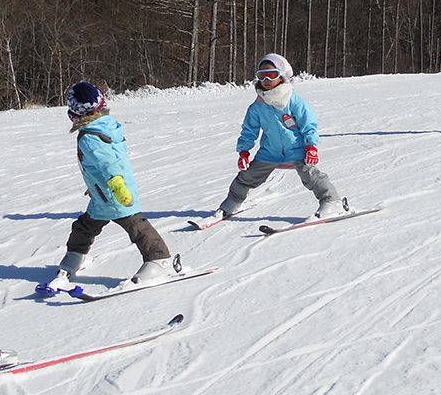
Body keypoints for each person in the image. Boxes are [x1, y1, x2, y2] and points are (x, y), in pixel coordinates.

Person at [40, 82, 178, 294]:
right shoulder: (106, 127)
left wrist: (118, 187)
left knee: (136, 226)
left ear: (74, 114)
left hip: (114, 194)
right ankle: (77, 256)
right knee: (84, 227)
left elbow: (108, 164)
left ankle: (160, 260)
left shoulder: (89, 137)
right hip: (102, 195)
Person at [211, 53, 348, 222]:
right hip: (270, 151)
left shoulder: (294, 101)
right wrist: (244, 151)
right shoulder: (257, 106)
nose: (266, 79)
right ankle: (233, 201)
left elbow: (309, 125)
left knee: (311, 175)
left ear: (282, 76)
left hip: (296, 148)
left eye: (272, 74)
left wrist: (311, 146)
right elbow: (249, 130)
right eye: (261, 75)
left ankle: (332, 202)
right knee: (247, 176)